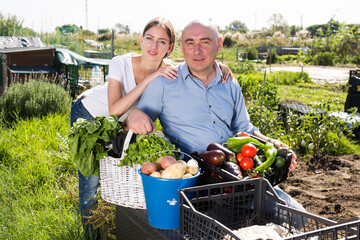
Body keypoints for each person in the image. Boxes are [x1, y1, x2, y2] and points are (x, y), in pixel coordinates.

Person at [70, 17, 233, 238]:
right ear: (141, 39)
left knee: (114, 171)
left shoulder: (169, 70)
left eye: (161, 41)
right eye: (149, 38)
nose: (153, 46)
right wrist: (152, 78)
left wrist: (218, 66)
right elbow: (114, 110)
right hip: (90, 113)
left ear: (170, 47)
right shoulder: (121, 62)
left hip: (122, 123)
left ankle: (114, 223)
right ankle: (90, 235)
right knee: (90, 180)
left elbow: (196, 65)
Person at [125, 19, 304, 211]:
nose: (197, 50)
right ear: (182, 48)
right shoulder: (164, 83)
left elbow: (244, 128)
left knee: (295, 214)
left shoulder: (230, 83)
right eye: (190, 43)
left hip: (238, 174)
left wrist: (271, 142)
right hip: (195, 182)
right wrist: (132, 116)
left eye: (205, 42)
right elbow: (135, 122)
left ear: (219, 44)